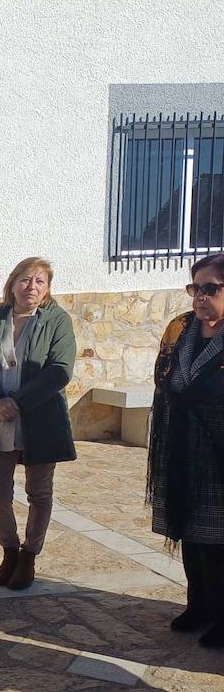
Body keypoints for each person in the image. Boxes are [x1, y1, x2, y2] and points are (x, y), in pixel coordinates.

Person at [0, 257, 77, 591]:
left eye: (40, 281)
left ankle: (29, 556)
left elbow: (60, 369)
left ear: (47, 288)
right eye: (26, 279)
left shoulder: (57, 320)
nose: (32, 287)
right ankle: (10, 552)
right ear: (13, 283)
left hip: (39, 421)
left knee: (38, 493)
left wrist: (19, 402)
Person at [147, 251, 224, 648]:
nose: (199, 297)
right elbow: (163, 375)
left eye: (210, 289)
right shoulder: (181, 328)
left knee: (220, 539)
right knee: (191, 532)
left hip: (219, 449)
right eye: (195, 287)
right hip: (182, 447)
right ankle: (199, 605)